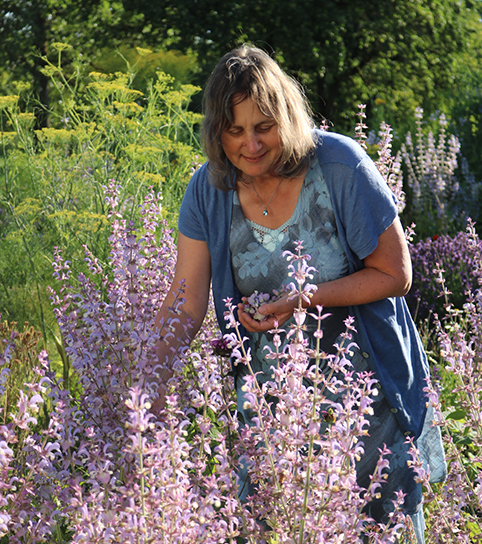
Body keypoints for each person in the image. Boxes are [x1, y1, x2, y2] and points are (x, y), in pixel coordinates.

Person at [153, 44, 442, 543]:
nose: (250, 144)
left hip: (364, 407)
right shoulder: (208, 189)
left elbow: (396, 273)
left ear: (286, 116)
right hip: (271, 416)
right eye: (235, 130)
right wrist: (145, 380)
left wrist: (301, 299)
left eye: (263, 126)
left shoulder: (340, 166)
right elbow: (186, 299)